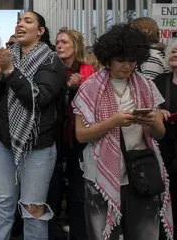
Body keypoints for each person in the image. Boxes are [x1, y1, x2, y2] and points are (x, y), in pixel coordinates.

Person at [73, 24, 172, 239]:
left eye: (132, 60)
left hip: (141, 173)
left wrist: (151, 121)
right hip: (100, 175)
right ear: (108, 59)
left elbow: (159, 134)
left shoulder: (146, 85)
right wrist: (113, 122)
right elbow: (81, 134)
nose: (127, 66)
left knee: (145, 233)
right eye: (121, 60)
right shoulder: (89, 88)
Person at [0, 11, 65, 240]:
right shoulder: (8, 57)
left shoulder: (51, 61)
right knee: (3, 203)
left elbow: (38, 99)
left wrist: (10, 72)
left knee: (32, 208)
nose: (20, 25)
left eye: (27, 21)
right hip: (5, 142)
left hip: (38, 146)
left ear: (40, 31)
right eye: (19, 21)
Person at [46, 28, 95, 240]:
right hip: (54, 138)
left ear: (76, 46)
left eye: (64, 42)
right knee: (51, 193)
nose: (59, 46)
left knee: (78, 195)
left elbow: (92, 106)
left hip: (79, 140)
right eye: (57, 42)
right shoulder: (51, 69)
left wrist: (76, 88)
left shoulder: (88, 70)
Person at [153, 42, 177, 240]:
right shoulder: (160, 80)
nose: (175, 53)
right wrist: (158, 112)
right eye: (173, 50)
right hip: (165, 147)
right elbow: (151, 106)